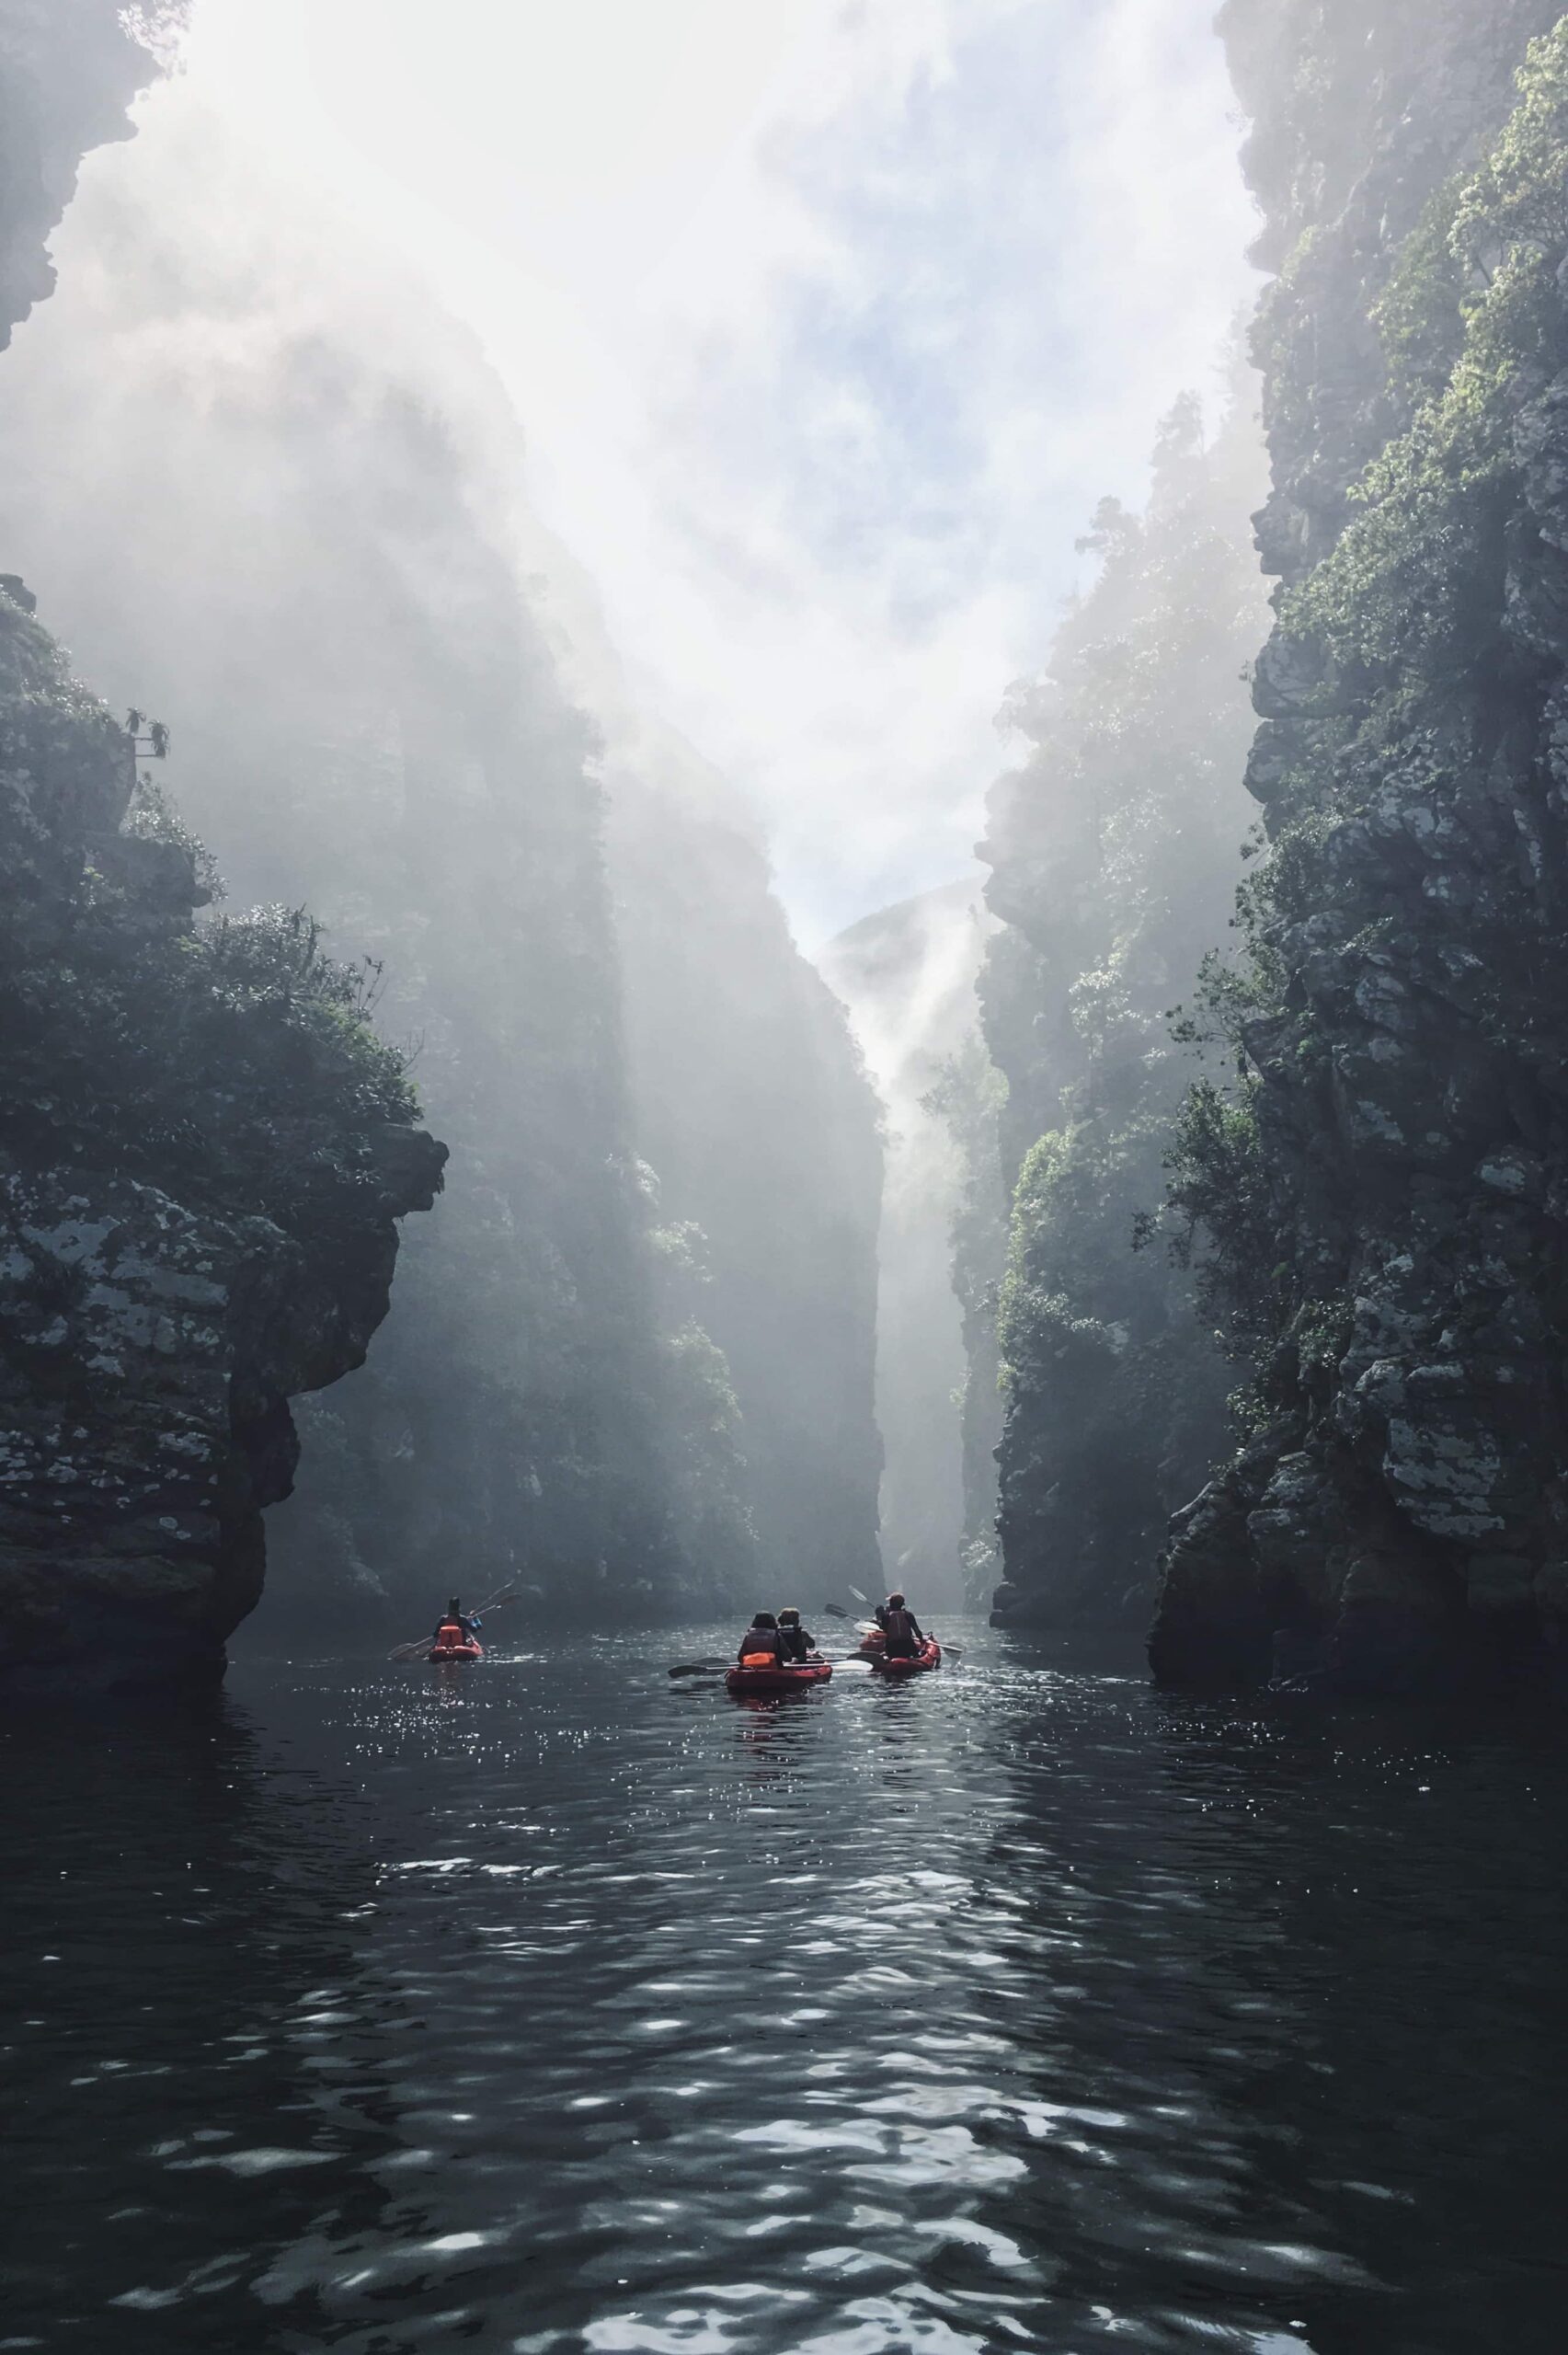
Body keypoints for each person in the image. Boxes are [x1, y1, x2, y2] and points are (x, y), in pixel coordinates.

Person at [875, 1590, 924, 1660]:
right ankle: (916, 1657)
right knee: (916, 1652)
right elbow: (917, 1632)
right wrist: (922, 1641)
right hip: (907, 1647)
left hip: (893, 1649)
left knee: (888, 1645)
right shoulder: (908, 1615)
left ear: (891, 1604)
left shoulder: (886, 1617)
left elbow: (884, 1633)